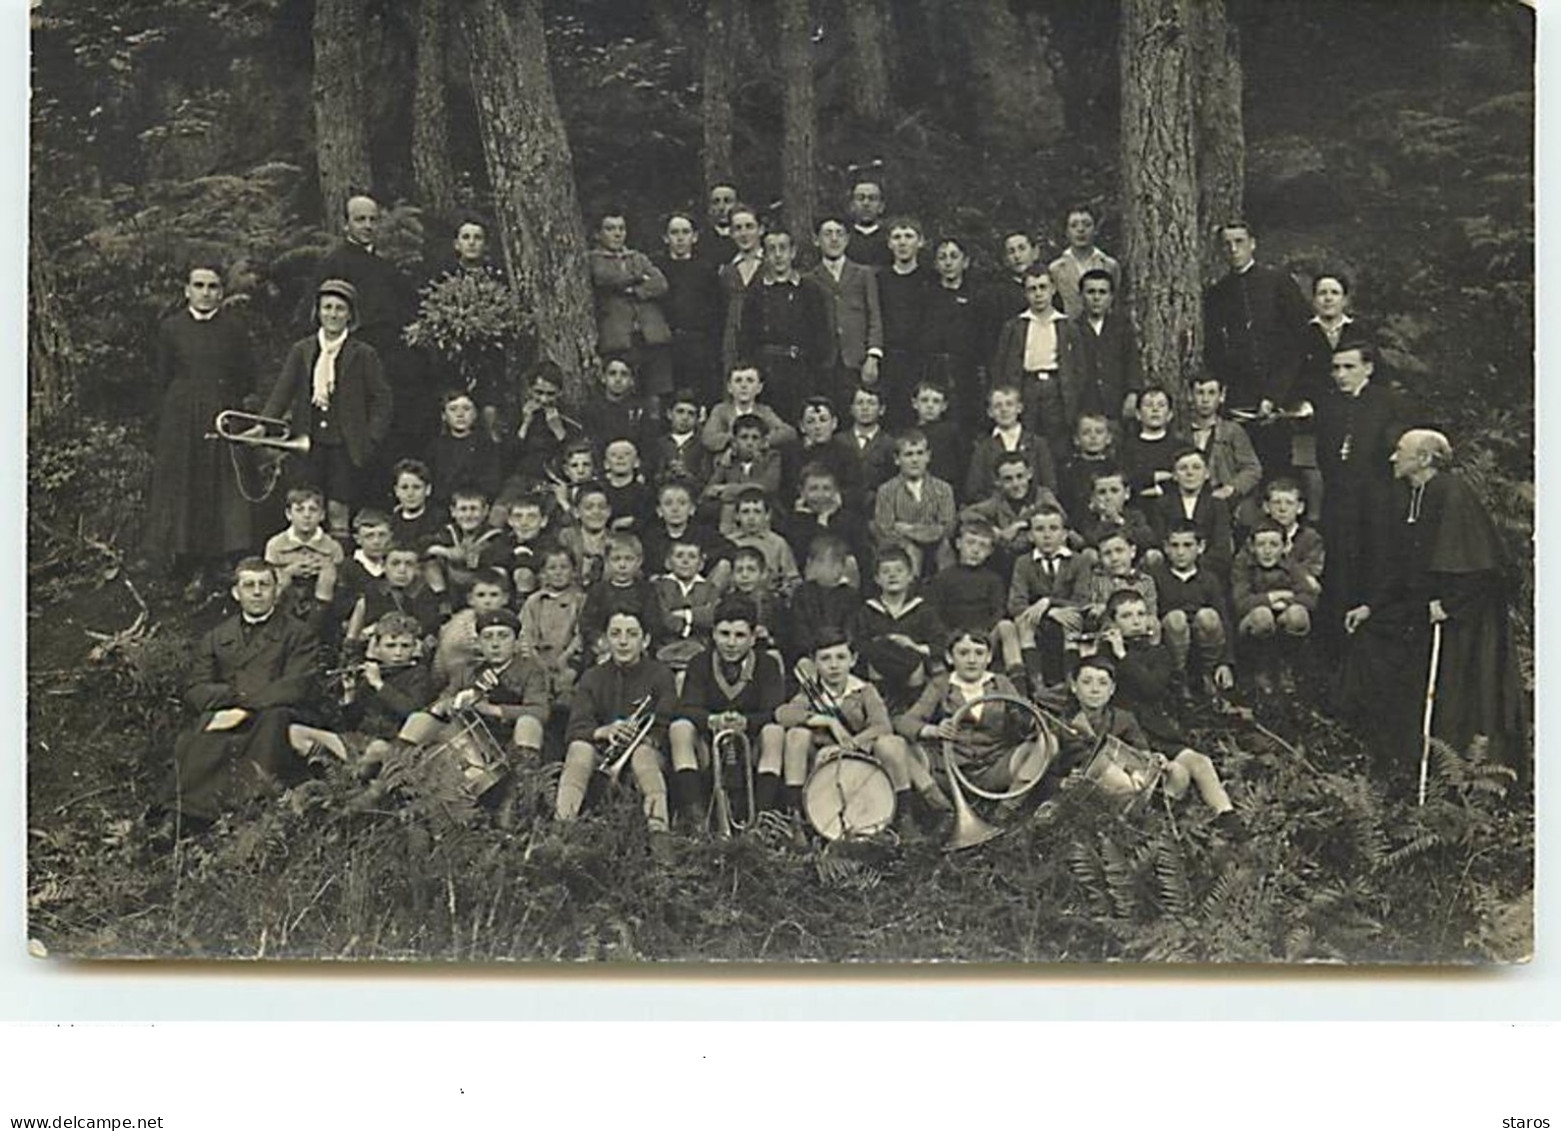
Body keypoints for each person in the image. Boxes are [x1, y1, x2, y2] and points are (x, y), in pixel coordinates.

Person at [1341, 430, 1527, 784]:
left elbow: (1480, 567)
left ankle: (1458, 777)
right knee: (1373, 640)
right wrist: (1371, 606)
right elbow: (1403, 568)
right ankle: (1394, 753)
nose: (1393, 458)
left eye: (1401, 451)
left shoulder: (1452, 493)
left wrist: (1450, 605)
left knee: (1457, 694)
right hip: (1426, 608)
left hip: (1465, 618)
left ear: (1424, 458)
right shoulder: (1414, 495)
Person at [156, 558, 322, 832]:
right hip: (228, 711)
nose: (257, 592)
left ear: (276, 591)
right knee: (203, 729)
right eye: (249, 585)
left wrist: (244, 708)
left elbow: (296, 685)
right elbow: (195, 689)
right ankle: (179, 814)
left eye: (264, 585)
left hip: (275, 711)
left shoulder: (298, 634)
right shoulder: (216, 636)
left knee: (273, 720)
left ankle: (246, 813)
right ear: (236, 593)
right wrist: (229, 698)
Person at [145, 262, 259, 596]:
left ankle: (220, 559)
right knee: (186, 485)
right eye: (199, 285)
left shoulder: (234, 328)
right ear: (187, 290)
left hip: (223, 411)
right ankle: (186, 558)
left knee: (221, 485)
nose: (205, 293)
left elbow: (247, 375)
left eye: (212, 286)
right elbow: (163, 377)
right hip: (181, 418)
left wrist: (232, 406)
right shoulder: (171, 328)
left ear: (221, 292)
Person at [775, 628, 945, 840]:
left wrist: (852, 743)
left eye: (841, 657)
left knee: (892, 743)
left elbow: (882, 726)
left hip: (864, 757)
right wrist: (827, 721)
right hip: (823, 763)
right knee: (796, 735)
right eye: (825, 659)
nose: (834, 665)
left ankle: (904, 816)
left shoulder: (864, 690)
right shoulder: (813, 692)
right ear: (815, 663)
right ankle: (796, 817)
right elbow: (783, 714)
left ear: (853, 660)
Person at [1097, 595, 1244, 832]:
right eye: (1126, 615)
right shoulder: (1103, 656)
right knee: (1179, 774)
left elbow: (1152, 688)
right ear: (1112, 623)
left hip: (1157, 730)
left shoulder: (1158, 654)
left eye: (1140, 614)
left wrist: (1124, 656)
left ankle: (1227, 816)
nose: (1135, 621)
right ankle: (1161, 822)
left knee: (1200, 761)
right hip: (1126, 736)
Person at [263, 278, 394, 539]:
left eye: (340, 309)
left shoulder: (363, 353)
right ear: (318, 311)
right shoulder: (302, 349)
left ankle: (339, 570)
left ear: (350, 315)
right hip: (307, 443)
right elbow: (282, 392)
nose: (333, 314)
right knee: (306, 506)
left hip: (345, 446)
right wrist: (264, 424)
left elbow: (382, 398)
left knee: (338, 508)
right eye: (327, 307)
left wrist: (371, 437)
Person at [555, 607, 680, 858]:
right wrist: (605, 731)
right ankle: (562, 829)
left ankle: (659, 834)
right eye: (616, 633)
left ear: (645, 640)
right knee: (578, 749)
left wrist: (640, 738)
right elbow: (577, 726)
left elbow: (665, 722)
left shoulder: (660, 675)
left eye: (632, 634)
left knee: (643, 756)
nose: (623, 641)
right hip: (602, 751)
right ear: (605, 640)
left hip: (646, 751)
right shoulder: (592, 677)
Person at [315, 195, 425, 480]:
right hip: (352, 358)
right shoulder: (334, 263)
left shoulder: (385, 266)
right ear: (345, 224)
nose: (367, 226)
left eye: (373, 220)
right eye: (360, 219)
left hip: (389, 358)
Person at [1314, 340, 1411, 635]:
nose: (1341, 374)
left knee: (1373, 567)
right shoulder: (1329, 404)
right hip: (1338, 502)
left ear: (1368, 368)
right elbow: (1325, 455)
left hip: (1376, 504)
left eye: (1349, 367)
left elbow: (1392, 451)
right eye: (1336, 368)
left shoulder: (1389, 402)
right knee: (1339, 571)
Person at [896, 630, 1048, 815]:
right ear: (950, 657)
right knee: (898, 747)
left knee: (1048, 744)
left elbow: (1024, 723)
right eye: (963, 653)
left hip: (995, 766)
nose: (972, 660)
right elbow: (903, 722)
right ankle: (942, 809)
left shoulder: (1001, 683)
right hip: (948, 769)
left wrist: (1029, 720)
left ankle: (1005, 812)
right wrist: (932, 730)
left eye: (979, 653)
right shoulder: (941, 684)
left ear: (989, 657)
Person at [1203, 220, 1311, 475]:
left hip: (1281, 394)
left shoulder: (1278, 282)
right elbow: (1216, 349)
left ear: (1253, 244)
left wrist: (1275, 395)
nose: (1233, 249)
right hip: (1241, 399)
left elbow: (1299, 341)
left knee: (1278, 468)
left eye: (1239, 242)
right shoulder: (1219, 293)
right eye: (1227, 244)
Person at [669, 597, 790, 827]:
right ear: (713, 634)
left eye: (740, 635)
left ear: (753, 638)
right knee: (680, 728)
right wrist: (712, 719)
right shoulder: (699, 663)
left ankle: (761, 818)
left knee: (774, 732)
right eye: (724, 634)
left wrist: (746, 722)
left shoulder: (768, 665)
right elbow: (687, 707)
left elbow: (774, 711)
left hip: (752, 746)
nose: (731, 643)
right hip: (708, 744)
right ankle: (695, 816)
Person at [429, 606, 550, 827]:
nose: (495, 644)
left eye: (503, 636)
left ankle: (515, 801)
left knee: (529, 722)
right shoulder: (467, 671)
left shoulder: (530, 670)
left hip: (514, 741)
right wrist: (449, 704)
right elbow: (441, 701)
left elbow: (540, 710)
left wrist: (493, 709)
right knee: (430, 723)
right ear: (479, 643)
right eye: (488, 637)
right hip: (477, 745)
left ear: (515, 642)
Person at [732, 228, 831, 424]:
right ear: (765, 254)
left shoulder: (810, 290)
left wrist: (810, 368)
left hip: (800, 371)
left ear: (793, 252)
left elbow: (821, 335)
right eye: (772, 249)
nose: (778, 255)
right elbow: (746, 336)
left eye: (783, 248)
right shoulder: (756, 291)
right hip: (766, 371)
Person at [588, 210, 672, 403]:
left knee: (656, 394)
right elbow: (604, 278)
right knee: (624, 391)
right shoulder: (594, 259)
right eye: (610, 229)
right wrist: (638, 278)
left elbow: (660, 283)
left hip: (651, 336)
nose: (617, 234)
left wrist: (634, 291)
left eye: (621, 229)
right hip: (619, 337)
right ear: (598, 234)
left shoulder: (637, 258)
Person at [990, 266, 1075, 453]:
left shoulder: (1067, 326)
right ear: (1025, 293)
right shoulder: (1014, 326)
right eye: (1032, 289)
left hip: (1056, 388)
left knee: (1058, 442)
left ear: (1053, 289)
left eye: (1043, 287)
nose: (1038, 294)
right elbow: (1001, 365)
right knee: (1026, 439)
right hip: (1026, 386)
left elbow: (1079, 366)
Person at [1008, 504, 1090, 694]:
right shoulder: (1023, 563)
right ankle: (1037, 684)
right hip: (1040, 620)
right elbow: (1016, 603)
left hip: (1068, 618)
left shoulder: (1079, 561)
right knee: (1023, 620)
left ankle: (1071, 681)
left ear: (1064, 534)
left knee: (1072, 618)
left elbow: (1082, 599)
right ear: (1030, 535)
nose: (1047, 535)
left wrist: (1048, 602)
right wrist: (1050, 610)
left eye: (1053, 529)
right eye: (1039, 529)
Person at [1233, 518, 1316, 693]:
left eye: (1274, 544)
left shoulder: (1291, 566)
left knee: (1298, 615)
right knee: (1262, 615)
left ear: (1284, 547)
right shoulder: (1243, 565)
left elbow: (1309, 597)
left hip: (1283, 620)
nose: (1267, 550)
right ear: (1252, 547)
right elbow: (1240, 602)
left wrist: (1288, 603)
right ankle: (1260, 669)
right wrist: (1272, 597)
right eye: (1261, 544)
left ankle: (1286, 667)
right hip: (1254, 624)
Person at [809, 216, 884, 395]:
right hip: (824, 361)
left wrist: (873, 356)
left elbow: (874, 316)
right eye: (828, 234)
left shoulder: (863, 274)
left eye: (839, 234)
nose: (834, 239)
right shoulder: (810, 278)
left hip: (857, 360)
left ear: (847, 239)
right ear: (816, 240)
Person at [921, 237, 987, 435]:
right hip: (934, 371)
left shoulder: (977, 296)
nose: (948, 262)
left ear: (965, 262)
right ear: (935, 264)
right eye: (942, 257)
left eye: (953, 257)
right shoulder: (926, 295)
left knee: (966, 425)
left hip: (967, 373)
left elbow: (982, 338)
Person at [656, 212, 724, 404]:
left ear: (694, 237)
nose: (679, 238)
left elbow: (717, 312)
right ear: (665, 237)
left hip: (699, 345)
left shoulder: (706, 270)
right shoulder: (657, 269)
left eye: (685, 232)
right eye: (674, 232)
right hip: (666, 346)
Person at [1062, 268, 1140, 428]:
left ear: (1111, 297)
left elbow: (1132, 362)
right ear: (1081, 296)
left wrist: (1133, 393)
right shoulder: (1071, 329)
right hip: (1084, 405)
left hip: (1116, 404)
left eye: (1102, 292)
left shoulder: (1122, 328)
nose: (1096, 298)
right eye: (1091, 292)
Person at [871, 430, 956, 577]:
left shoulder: (943, 489)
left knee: (946, 548)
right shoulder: (886, 490)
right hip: (901, 547)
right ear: (897, 459)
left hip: (936, 547)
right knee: (910, 551)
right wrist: (926, 530)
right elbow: (886, 529)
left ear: (928, 456)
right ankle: (911, 590)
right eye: (908, 454)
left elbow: (947, 527)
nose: (915, 460)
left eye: (919, 453)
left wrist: (908, 529)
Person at [876, 216, 935, 424]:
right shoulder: (879, 279)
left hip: (921, 361)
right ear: (889, 243)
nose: (902, 242)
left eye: (909, 236)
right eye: (897, 237)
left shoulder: (931, 278)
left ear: (920, 242)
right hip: (889, 361)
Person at [1184, 373, 1263, 526]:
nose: (1205, 400)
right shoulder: (1181, 432)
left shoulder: (1232, 431)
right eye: (1200, 393)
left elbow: (1253, 469)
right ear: (1190, 396)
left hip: (1224, 500)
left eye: (1211, 393)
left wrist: (1231, 488)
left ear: (1221, 396)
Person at [965, 384, 1059, 505]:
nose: (1004, 410)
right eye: (998, 406)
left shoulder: (1037, 444)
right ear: (990, 412)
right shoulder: (983, 447)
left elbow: (1049, 485)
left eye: (1009, 404)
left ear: (1019, 408)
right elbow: (974, 489)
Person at [511, 361, 586, 484]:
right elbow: (509, 456)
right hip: (522, 478)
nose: (543, 400)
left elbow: (577, 455)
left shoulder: (569, 414)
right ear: (529, 389)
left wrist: (558, 430)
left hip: (558, 480)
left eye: (550, 394)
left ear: (560, 392)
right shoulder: (518, 412)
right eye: (538, 392)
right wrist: (525, 424)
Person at [425, 389, 502, 506]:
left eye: (466, 409)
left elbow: (492, 484)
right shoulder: (435, 447)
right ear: (444, 416)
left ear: (475, 414)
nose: (460, 414)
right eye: (453, 409)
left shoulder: (486, 446)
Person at [1047, 204, 1122, 318]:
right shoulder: (1056, 269)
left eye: (1087, 225)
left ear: (1095, 229)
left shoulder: (1109, 265)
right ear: (1066, 232)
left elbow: (1116, 303)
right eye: (1074, 225)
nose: (1081, 230)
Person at [844, 178, 892, 270]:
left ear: (881, 207)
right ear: (852, 206)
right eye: (860, 198)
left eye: (872, 198)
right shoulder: (844, 239)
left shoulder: (890, 238)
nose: (866, 203)